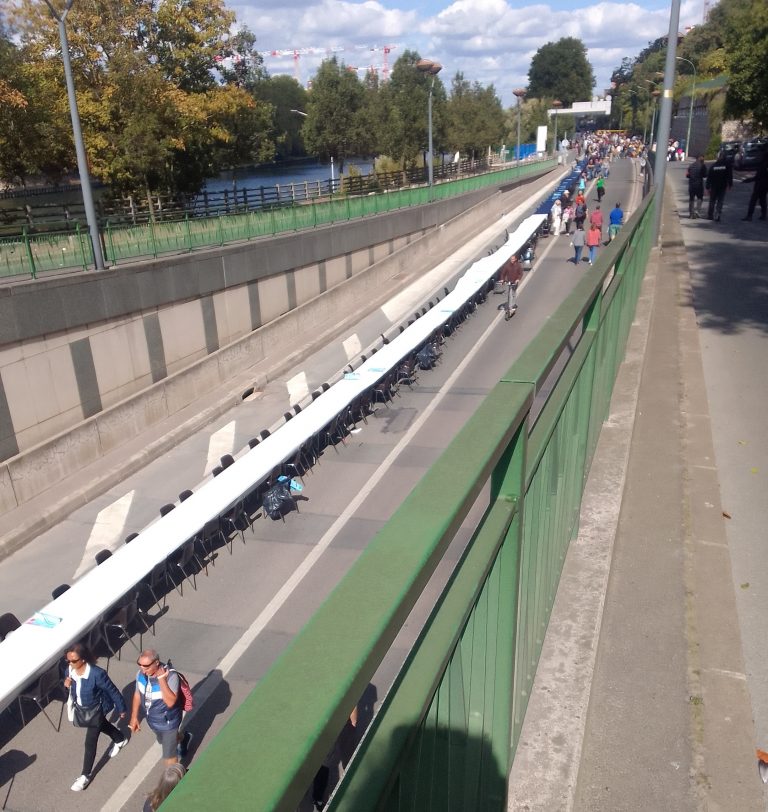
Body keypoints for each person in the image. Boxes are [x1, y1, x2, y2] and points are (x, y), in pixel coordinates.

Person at [64, 642, 128, 792]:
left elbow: (112, 690)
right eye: (68, 660)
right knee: (103, 725)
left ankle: (85, 775)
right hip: (82, 708)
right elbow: (71, 690)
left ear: (83, 659)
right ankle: (120, 738)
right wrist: (67, 685)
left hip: (96, 710)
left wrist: (121, 708)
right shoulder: (70, 670)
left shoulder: (96, 674)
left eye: (73, 660)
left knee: (90, 742)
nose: (70, 663)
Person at [129, 649, 184, 766]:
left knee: (169, 758)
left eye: (146, 666)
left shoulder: (171, 676)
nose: (142, 669)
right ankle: (182, 738)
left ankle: (175, 776)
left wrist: (161, 679)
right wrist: (134, 717)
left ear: (156, 662)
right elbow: (137, 694)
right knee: (163, 741)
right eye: (140, 665)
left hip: (169, 723)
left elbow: (170, 702)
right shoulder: (140, 674)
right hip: (153, 721)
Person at [706, 151, 733, 221]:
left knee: (712, 200)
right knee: (720, 201)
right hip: (722, 186)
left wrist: (707, 187)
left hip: (714, 186)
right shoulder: (727, 165)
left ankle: (710, 215)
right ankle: (717, 214)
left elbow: (709, 177)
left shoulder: (714, 165)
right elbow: (730, 176)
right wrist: (730, 184)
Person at [742, 152, 768, 221]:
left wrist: (748, 180)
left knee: (753, 200)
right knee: (763, 200)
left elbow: (757, 177)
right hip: (765, 186)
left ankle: (749, 216)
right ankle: (764, 215)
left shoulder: (762, 165)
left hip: (759, 185)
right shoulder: (764, 165)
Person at [498, 253, 523, 318]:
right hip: (509, 282)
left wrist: (518, 279)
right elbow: (503, 274)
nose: (512, 260)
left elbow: (521, 273)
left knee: (513, 294)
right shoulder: (507, 266)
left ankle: (513, 305)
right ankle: (510, 307)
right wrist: (502, 279)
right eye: (511, 259)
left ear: (515, 259)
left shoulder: (518, 265)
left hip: (515, 282)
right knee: (509, 295)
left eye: (513, 259)